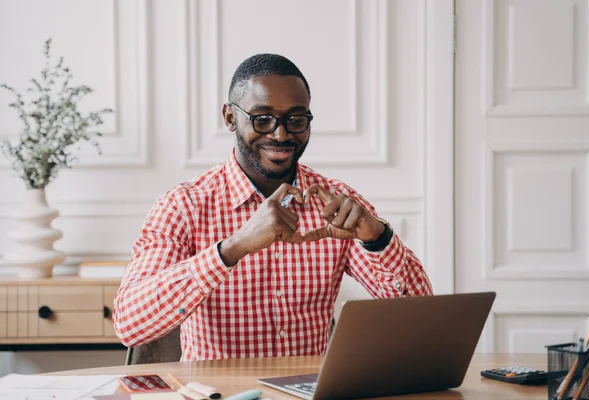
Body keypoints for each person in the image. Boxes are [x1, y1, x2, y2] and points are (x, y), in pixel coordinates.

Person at [113, 54, 432, 361]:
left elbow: (421, 317)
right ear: (229, 117)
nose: (280, 134)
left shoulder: (337, 202)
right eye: (262, 119)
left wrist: (377, 237)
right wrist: (233, 247)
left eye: (296, 120)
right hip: (220, 392)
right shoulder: (183, 205)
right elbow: (130, 324)